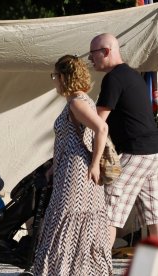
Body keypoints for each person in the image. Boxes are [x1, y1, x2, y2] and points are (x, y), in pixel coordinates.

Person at [33, 55, 112, 275]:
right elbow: (72, 138)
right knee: (73, 223)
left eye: (55, 76)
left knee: (65, 221)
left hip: (76, 173)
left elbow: (101, 129)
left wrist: (95, 164)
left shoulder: (77, 101)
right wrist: (52, 167)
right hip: (69, 169)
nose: (54, 81)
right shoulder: (79, 100)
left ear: (64, 77)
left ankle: (62, 271)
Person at [89, 33, 158, 247]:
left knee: (109, 207)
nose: (91, 59)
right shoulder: (132, 75)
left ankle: (99, 267)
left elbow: (98, 123)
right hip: (153, 152)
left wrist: (93, 161)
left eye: (93, 54)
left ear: (106, 52)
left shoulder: (114, 78)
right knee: (154, 213)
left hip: (136, 151)